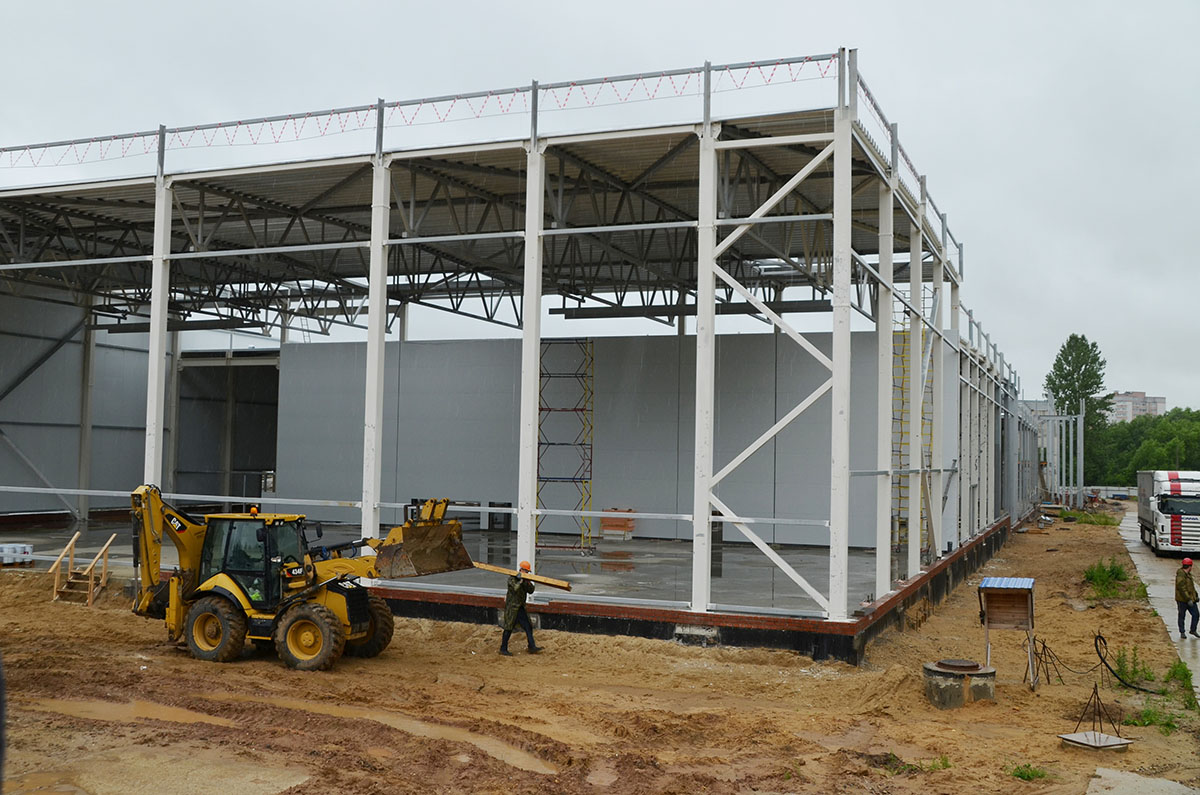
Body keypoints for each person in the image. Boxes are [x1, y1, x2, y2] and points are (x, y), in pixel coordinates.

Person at [500, 561, 542, 656]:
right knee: (508, 628)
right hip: (512, 608)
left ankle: (532, 646)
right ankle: (503, 648)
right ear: (521, 570)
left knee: (528, 626)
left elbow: (531, 591)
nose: (527, 573)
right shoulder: (512, 579)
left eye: (528, 572)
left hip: (520, 607)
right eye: (526, 571)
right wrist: (520, 581)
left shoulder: (525, 581)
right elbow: (515, 588)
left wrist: (527, 583)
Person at [1176, 557, 1199, 640]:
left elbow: (1191, 587)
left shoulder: (1188, 575)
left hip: (1190, 599)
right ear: (1190, 566)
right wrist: (1188, 599)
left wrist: (1195, 596)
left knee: (1196, 614)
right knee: (1182, 615)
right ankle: (1182, 632)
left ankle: (1193, 630)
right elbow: (1182, 588)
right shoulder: (1181, 575)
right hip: (1182, 600)